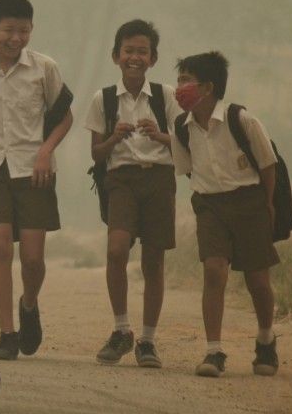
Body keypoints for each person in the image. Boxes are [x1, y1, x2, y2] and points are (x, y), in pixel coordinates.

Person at [0, 0, 73, 361]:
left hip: (34, 169)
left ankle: (29, 304)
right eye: (8, 30)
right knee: (0, 247)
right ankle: (7, 333)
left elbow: (65, 116)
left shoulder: (44, 68)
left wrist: (46, 152)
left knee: (34, 259)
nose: (16, 38)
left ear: (31, 30)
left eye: (23, 31)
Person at [171, 51, 280, 378]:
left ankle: (266, 339)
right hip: (210, 205)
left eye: (186, 80)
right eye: (179, 80)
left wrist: (267, 204)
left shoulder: (241, 119)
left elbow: (268, 164)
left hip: (250, 202)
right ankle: (214, 350)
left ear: (208, 87)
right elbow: (188, 170)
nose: (179, 88)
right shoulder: (180, 128)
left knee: (257, 280)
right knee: (213, 271)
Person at [83, 20, 181, 367]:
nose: (135, 58)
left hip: (159, 179)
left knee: (153, 260)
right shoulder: (104, 99)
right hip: (121, 180)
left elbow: (186, 144)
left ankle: (148, 341)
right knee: (116, 250)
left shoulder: (167, 96)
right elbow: (97, 154)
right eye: (128, 51)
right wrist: (114, 138)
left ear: (153, 58)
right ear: (116, 56)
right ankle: (121, 329)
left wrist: (160, 135)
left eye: (142, 51)